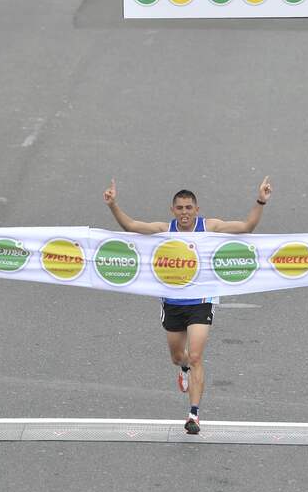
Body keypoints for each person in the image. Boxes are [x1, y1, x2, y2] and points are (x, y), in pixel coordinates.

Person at [103, 177, 273, 434]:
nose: (184, 213)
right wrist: (113, 204)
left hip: (201, 301)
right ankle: (182, 368)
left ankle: (193, 414)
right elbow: (131, 226)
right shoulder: (165, 228)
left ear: (197, 209)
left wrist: (260, 199)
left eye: (188, 208)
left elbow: (247, 227)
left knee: (195, 356)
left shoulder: (209, 227)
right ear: (173, 210)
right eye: (180, 208)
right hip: (172, 301)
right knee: (178, 357)